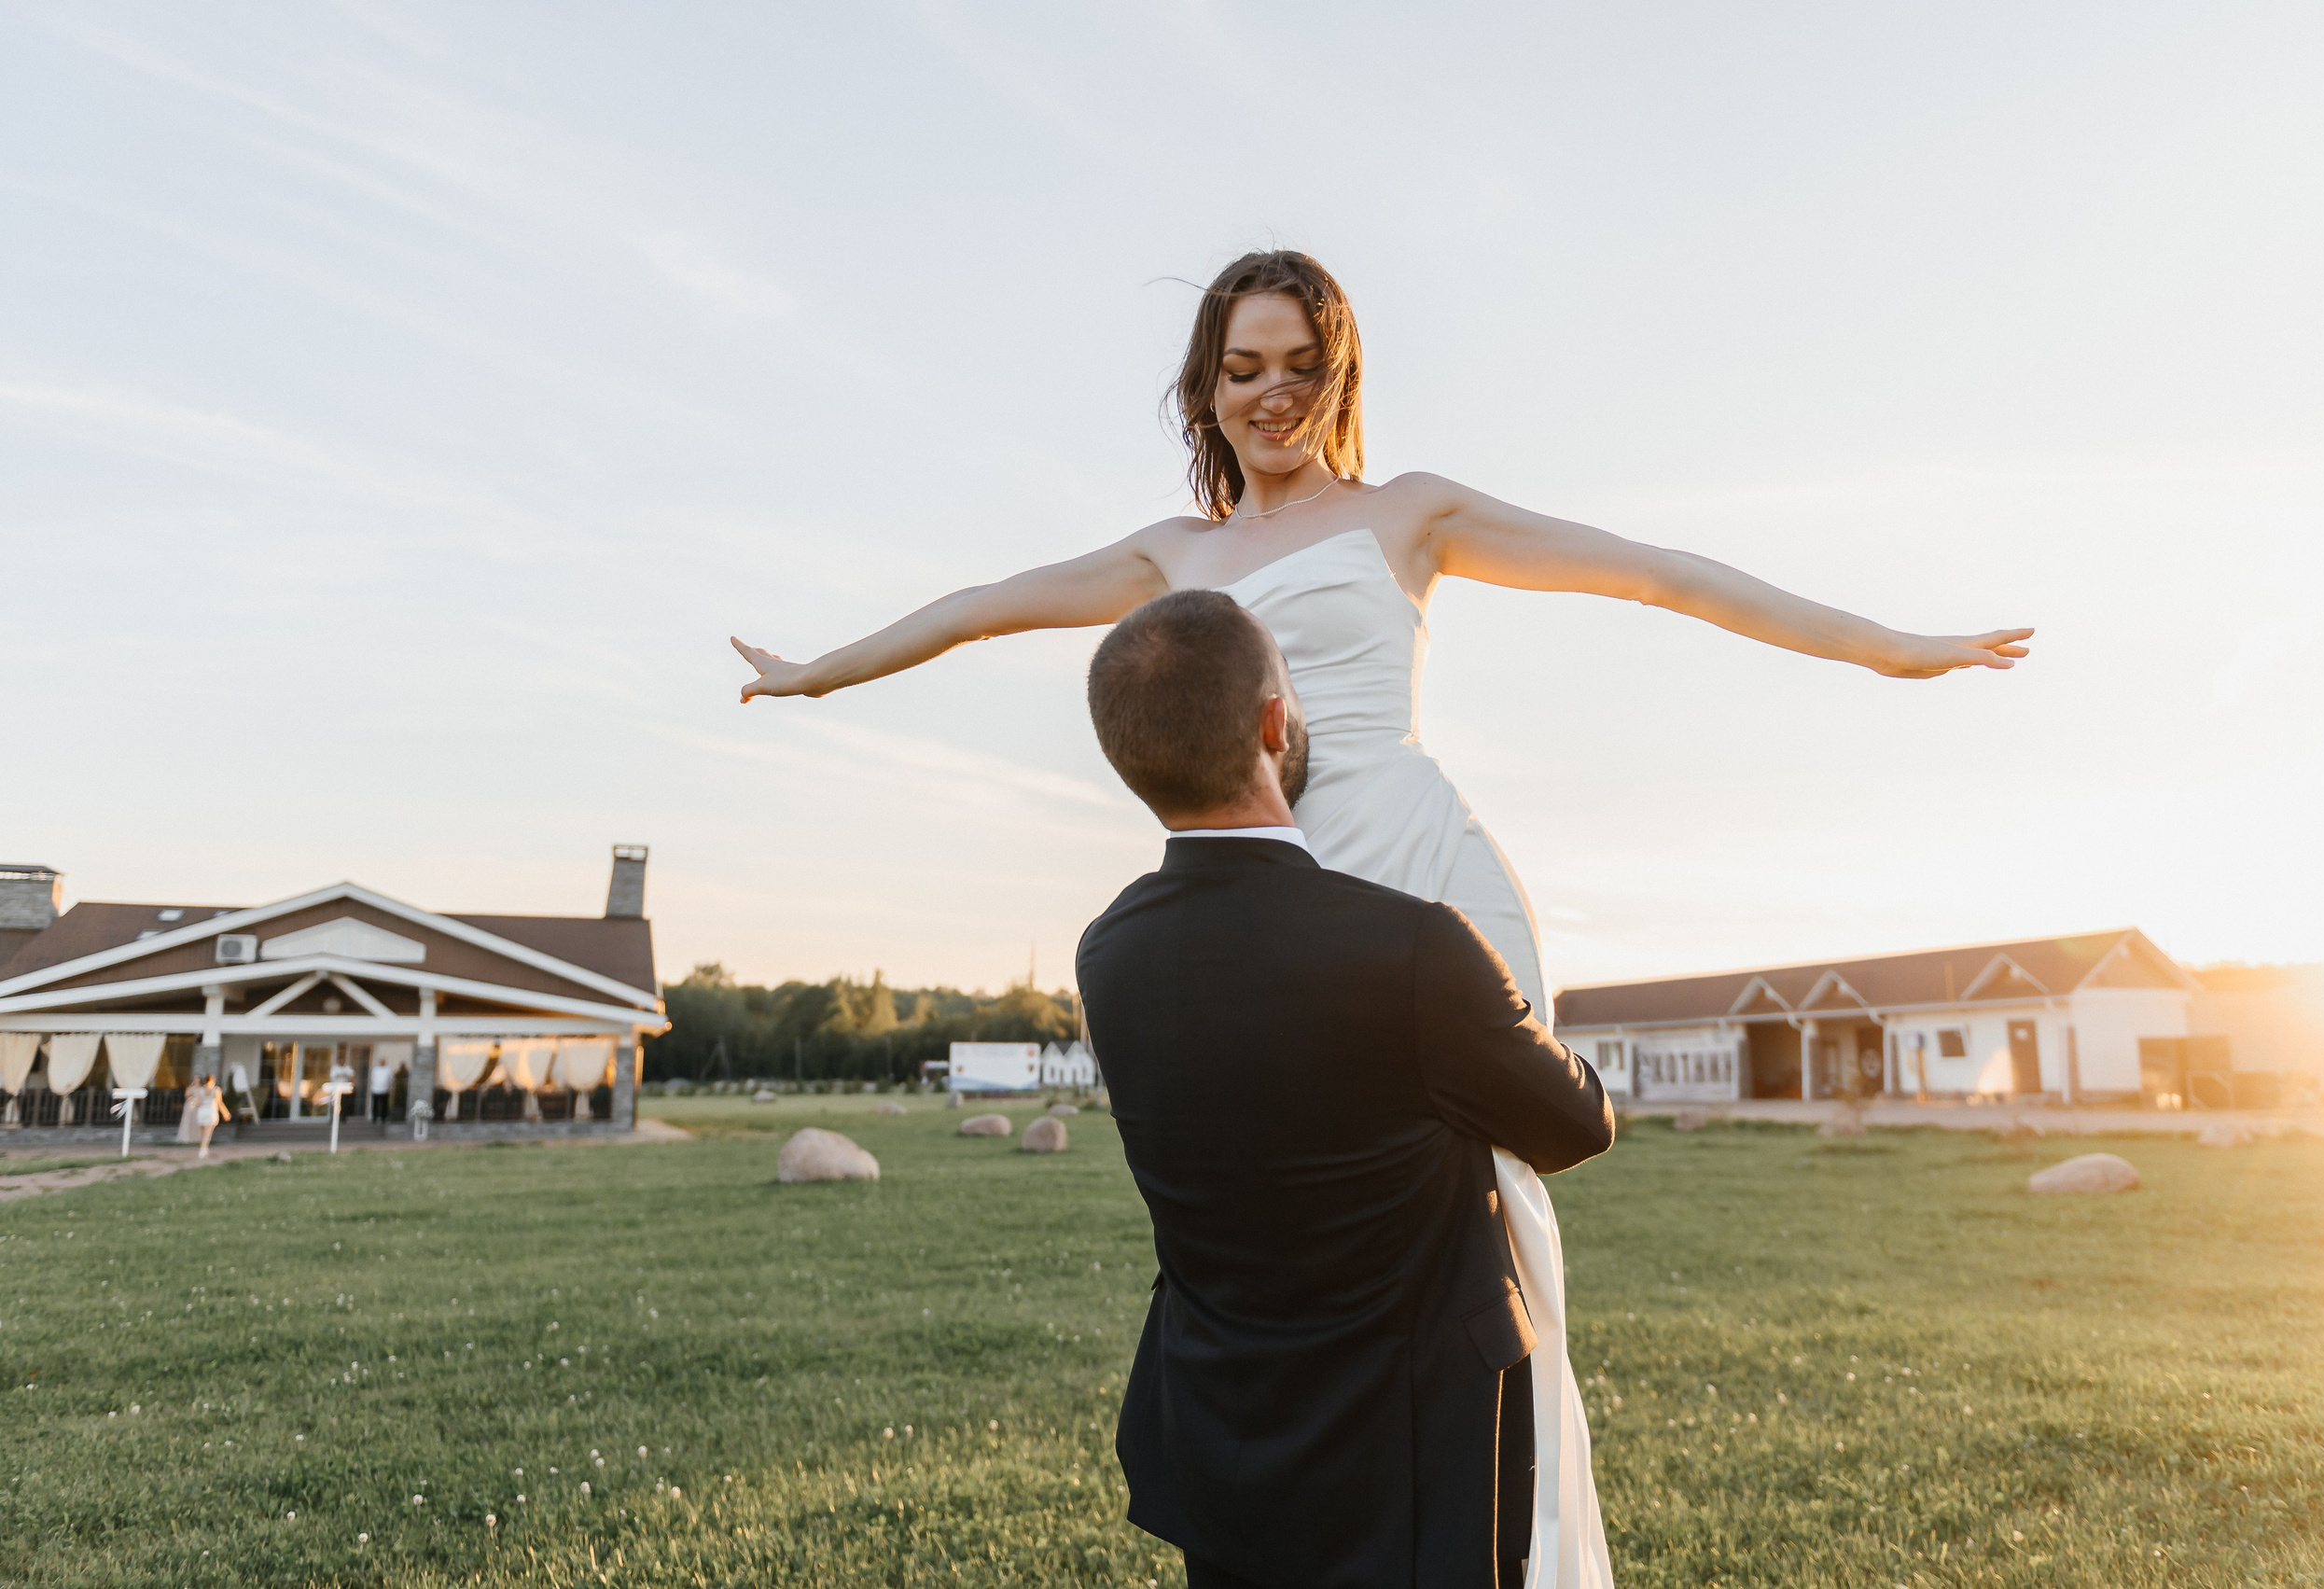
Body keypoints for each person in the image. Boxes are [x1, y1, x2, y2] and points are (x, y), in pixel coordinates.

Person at [732, 249, 2031, 1582]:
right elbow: (980, 609)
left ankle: (1512, 1531)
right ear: (1207, 382)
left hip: (1418, 872)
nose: (1273, 394)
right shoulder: (1169, 553)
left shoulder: (1409, 513)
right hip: (1256, 877)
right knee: (1291, 1218)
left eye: (1301, 364)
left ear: (1338, 370)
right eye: (1244, 367)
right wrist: (819, 674)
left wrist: (1891, 645)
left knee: (1493, 1210)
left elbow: (1655, 574)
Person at [1077, 591, 1613, 1589]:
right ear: (1274, 723)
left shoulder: (1107, 950)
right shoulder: (1417, 945)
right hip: (1410, 1454)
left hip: (1220, 1434)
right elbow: (1577, 1122)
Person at [191, 1073, 225, 1159]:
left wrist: (194, 1101)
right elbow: (220, 1103)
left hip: (202, 1111)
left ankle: (204, 1148)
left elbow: (199, 1102)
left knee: (203, 1131)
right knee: (208, 1131)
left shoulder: (201, 1090)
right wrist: (225, 1113)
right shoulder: (216, 1090)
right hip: (211, 1111)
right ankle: (203, 1149)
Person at [368, 1052, 395, 1123]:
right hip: (375, 1089)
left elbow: (391, 1079)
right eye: (381, 1061)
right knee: (375, 1104)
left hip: (385, 1089)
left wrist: (390, 1088)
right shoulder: (375, 1069)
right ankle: (374, 1117)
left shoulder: (388, 1069)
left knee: (384, 1105)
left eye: (383, 1061)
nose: (382, 1062)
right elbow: (372, 1079)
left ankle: (383, 1118)